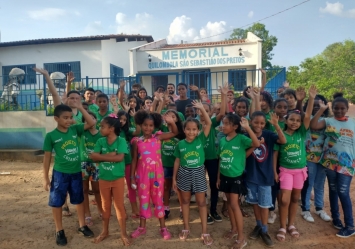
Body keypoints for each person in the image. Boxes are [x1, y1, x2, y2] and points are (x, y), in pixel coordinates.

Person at [42, 103, 95, 246]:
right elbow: (47, 158)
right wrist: (46, 177)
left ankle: (82, 225)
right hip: (60, 174)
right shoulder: (51, 136)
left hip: (76, 172)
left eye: (70, 117)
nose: (68, 120)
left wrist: (81, 107)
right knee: (57, 201)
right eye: (65, 117)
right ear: (56, 118)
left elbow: (91, 123)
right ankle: (59, 230)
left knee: (78, 200)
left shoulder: (74, 129)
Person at [274, 85, 316, 242]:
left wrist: (309, 99)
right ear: (286, 120)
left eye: (297, 121)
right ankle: (282, 226)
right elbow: (275, 154)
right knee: (284, 199)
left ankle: (291, 224)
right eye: (291, 119)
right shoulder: (281, 134)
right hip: (285, 171)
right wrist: (275, 172)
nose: (295, 122)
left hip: (300, 171)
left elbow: (307, 116)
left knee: (295, 198)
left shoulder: (301, 133)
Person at [310, 93, 355, 238]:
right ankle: (336, 219)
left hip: (346, 164)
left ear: (347, 109)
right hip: (329, 163)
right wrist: (321, 110)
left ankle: (350, 226)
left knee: (343, 192)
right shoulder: (328, 121)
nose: (339, 111)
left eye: (342, 108)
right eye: (336, 108)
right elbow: (313, 125)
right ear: (333, 108)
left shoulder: (353, 122)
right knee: (333, 190)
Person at [130, 110, 178, 240]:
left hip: (157, 175)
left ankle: (163, 228)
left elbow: (175, 133)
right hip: (142, 175)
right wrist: (132, 176)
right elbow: (134, 159)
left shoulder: (158, 137)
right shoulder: (136, 141)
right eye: (145, 125)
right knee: (144, 201)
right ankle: (142, 228)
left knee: (158, 200)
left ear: (155, 126)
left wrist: (171, 122)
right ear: (140, 124)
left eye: (151, 125)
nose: (148, 128)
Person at [173, 100, 213, 245]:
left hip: (199, 172)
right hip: (184, 173)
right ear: (184, 130)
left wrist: (202, 109)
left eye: (194, 129)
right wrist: (174, 179)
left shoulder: (201, 139)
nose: (191, 132)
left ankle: (204, 231)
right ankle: (186, 228)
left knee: (201, 202)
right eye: (188, 129)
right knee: (185, 201)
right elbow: (177, 161)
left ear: (198, 131)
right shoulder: (180, 144)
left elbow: (208, 124)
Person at [217, 114, 260, 249]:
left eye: (226, 123)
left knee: (235, 205)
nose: (223, 126)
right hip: (224, 176)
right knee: (229, 203)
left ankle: (242, 238)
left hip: (235, 177)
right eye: (223, 123)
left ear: (235, 126)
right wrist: (218, 176)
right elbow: (221, 159)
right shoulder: (223, 140)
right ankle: (234, 229)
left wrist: (247, 127)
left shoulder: (241, 139)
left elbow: (256, 143)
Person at [245, 112, 286, 247]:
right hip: (251, 176)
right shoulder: (246, 136)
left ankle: (264, 230)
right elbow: (244, 155)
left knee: (264, 205)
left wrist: (276, 126)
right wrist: (254, 144)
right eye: (256, 122)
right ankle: (258, 225)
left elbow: (283, 141)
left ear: (265, 124)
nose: (259, 125)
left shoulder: (268, 134)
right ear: (251, 122)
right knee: (255, 203)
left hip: (265, 177)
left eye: (262, 123)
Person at [90, 114, 131, 246]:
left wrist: (102, 156)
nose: (100, 128)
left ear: (111, 128)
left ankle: (123, 233)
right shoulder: (100, 141)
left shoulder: (121, 141)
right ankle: (105, 231)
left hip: (118, 179)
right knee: (105, 206)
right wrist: (111, 155)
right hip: (104, 179)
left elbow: (120, 158)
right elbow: (93, 157)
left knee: (119, 206)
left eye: (102, 126)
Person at [301, 94, 331, 223]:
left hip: (323, 157)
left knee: (320, 184)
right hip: (309, 156)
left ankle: (319, 208)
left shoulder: (328, 120)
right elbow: (312, 125)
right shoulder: (308, 118)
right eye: (314, 105)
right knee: (308, 183)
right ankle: (305, 209)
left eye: (320, 106)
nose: (316, 108)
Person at [200, 83, 228, 224]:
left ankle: (213, 210)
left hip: (212, 159)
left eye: (205, 110)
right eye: (200, 110)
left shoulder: (212, 123)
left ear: (210, 112)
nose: (202, 112)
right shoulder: (193, 125)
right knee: (200, 186)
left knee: (214, 184)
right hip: (198, 161)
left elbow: (222, 113)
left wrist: (223, 95)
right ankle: (204, 211)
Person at [80, 111, 103, 227]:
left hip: (96, 164)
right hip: (84, 163)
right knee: (84, 189)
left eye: (93, 118)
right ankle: (87, 214)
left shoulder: (101, 134)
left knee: (97, 189)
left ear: (96, 120)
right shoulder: (82, 132)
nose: (91, 121)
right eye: (87, 119)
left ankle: (100, 210)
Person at [161, 109, 185, 219]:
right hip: (165, 165)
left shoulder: (181, 134)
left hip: (178, 165)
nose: (170, 119)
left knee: (178, 188)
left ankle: (182, 208)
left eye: (173, 117)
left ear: (177, 119)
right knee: (166, 187)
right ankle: (166, 208)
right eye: (168, 116)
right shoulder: (162, 131)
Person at [267, 98, 288, 224]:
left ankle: (282, 210)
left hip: (285, 159)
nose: (282, 109)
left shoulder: (289, 122)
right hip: (272, 158)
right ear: (274, 108)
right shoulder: (270, 122)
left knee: (283, 188)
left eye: (285, 107)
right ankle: (272, 211)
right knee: (273, 186)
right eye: (279, 107)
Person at [117, 110, 141, 218]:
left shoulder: (126, 131)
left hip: (127, 162)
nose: (122, 121)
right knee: (118, 188)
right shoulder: (111, 132)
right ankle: (122, 211)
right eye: (120, 119)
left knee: (131, 186)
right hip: (116, 164)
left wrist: (135, 118)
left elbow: (138, 131)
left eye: (124, 120)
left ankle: (135, 209)